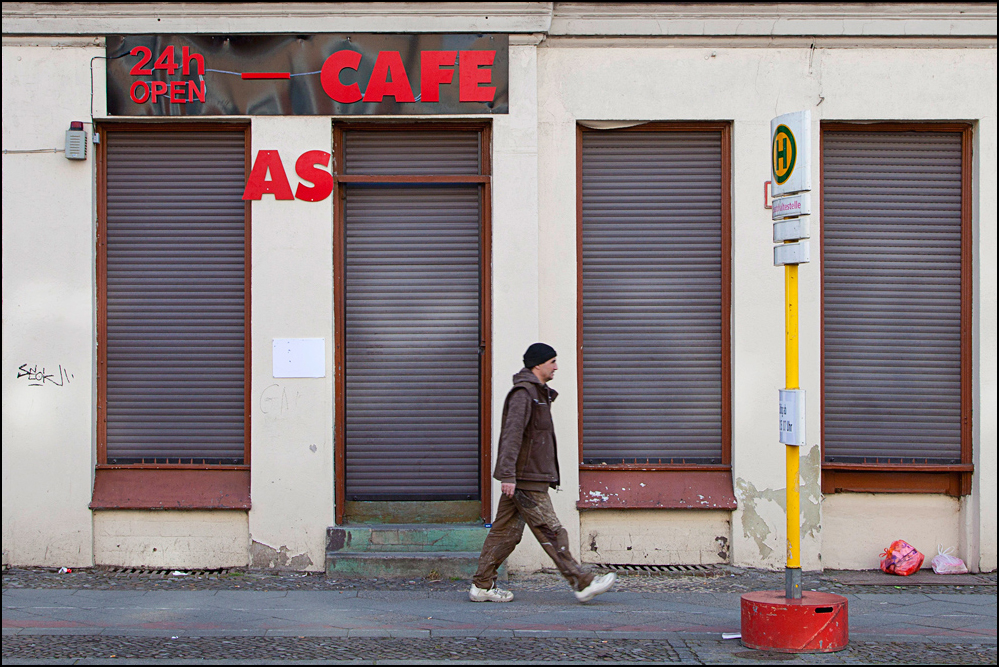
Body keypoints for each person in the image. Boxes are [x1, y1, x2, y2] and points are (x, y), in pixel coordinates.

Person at [469, 343, 616, 603]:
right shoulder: (524, 394)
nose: (556, 366)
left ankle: (482, 585)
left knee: (505, 533)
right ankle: (581, 582)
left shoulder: (538, 394)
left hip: (528, 476)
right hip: (527, 480)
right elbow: (511, 436)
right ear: (538, 364)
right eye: (553, 361)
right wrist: (508, 476)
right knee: (552, 530)